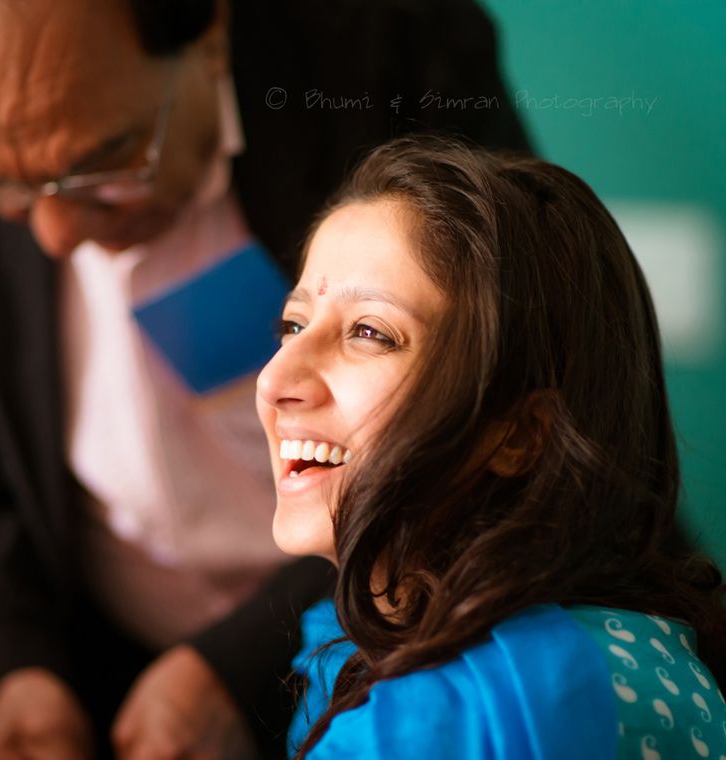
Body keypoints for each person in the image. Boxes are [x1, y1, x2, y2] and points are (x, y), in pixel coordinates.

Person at [0, 0, 530, 756]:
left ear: (209, 32)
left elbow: (495, 415)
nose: (57, 234)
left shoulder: (391, 53)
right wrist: (18, 675)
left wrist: (238, 669)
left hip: (419, 654)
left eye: (105, 162)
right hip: (113, 678)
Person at [254, 135, 726, 759]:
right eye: (294, 325)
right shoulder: (642, 648)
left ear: (518, 435)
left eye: (370, 332)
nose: (275, 379)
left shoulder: (452, 725)